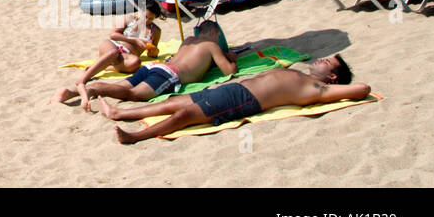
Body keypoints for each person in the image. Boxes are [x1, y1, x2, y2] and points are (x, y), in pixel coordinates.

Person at [100, 55, 367, 144]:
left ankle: (136, 137)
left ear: (332, 77)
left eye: (327, 62)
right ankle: (121, 114)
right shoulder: (301, 72)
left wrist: (339, 86)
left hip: (244, 99)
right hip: (235, 88)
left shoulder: (320, 89)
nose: (320, 60)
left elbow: (362, 89)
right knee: (175, 102)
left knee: (184, 116)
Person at [57, 19, 236, 112]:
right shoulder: (212, 46)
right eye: (218, 35)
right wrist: (231, 58)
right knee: (134, 94)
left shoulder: (189, 40)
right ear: (213, 32)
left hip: (154, 67)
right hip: (168, 74)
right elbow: (229, 71)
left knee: (121, 86)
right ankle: (93, 88)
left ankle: (72, 93)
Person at [51, 5, 162, 108]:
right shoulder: (129, 19)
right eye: (145, 16)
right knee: (113, 53)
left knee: (136, 62)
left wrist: (153, 50)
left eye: (150, 19)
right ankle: (83, 80)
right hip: (114, 45)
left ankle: (104, 66)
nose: (146, 20)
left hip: (127, 56)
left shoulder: (156, 31)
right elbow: (113, 35)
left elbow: (152, 55)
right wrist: (134, 40)